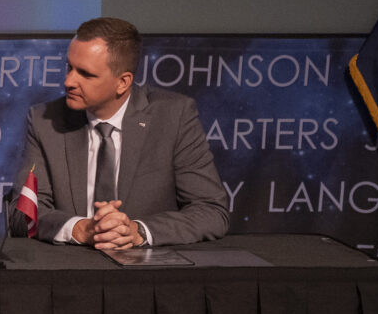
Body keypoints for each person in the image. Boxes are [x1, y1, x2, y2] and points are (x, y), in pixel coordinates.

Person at [22, 17, 230, 248]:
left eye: (86, 74)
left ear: (123, 82)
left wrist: (137, 231)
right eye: (69, 67)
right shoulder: (44, 120)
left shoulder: (174, 117)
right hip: (70, 264)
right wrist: (81, 229)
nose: (69, 81)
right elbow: (23, 213)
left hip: (148, 267)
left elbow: (211, 211)